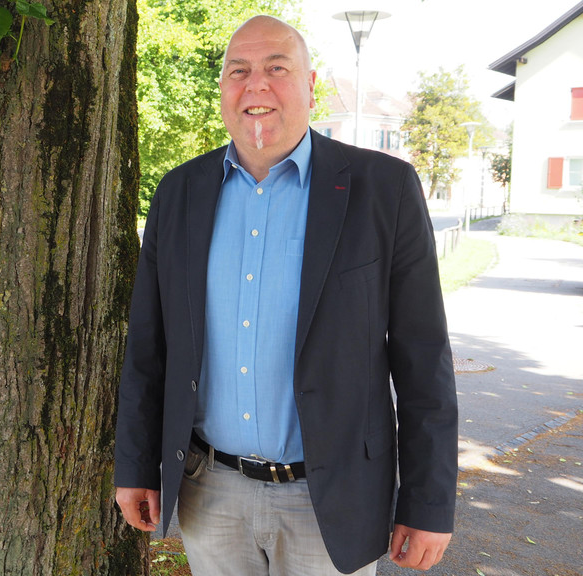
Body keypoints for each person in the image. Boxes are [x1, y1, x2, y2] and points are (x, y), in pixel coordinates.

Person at [113, 14, 458, 575]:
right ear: (223, 87)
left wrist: (429, 502)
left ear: (310, 84)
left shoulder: (385, 190)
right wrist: (135, 465)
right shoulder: (179, 192)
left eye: (277, 68)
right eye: (239, 70)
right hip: (210, 493)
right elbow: (147, 350)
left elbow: (424, 360)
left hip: (331, 498)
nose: (257, 85)